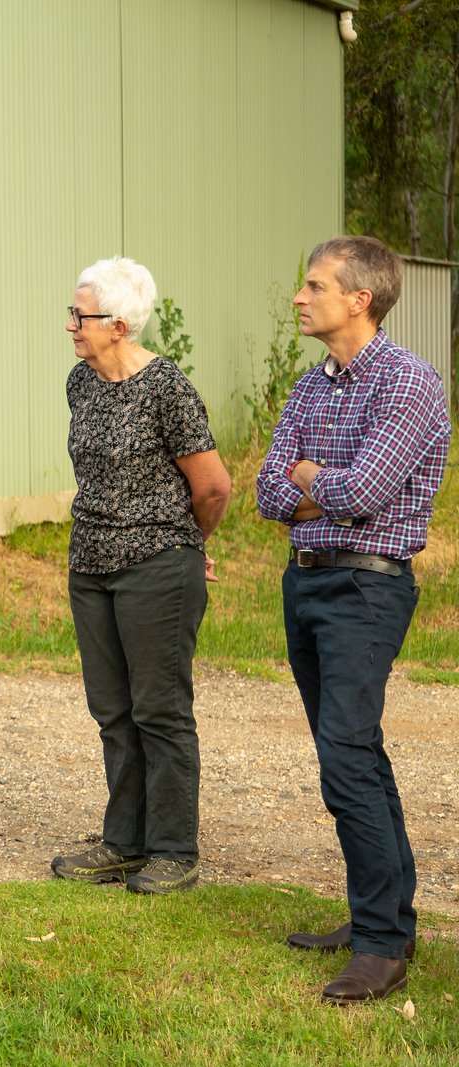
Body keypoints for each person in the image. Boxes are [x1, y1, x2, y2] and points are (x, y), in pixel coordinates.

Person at [256, 235, 450, 1004]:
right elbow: (271, 491)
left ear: (358, 298)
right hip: (305, 583)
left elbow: (366, 490)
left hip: (368, 590)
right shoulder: (310, 387)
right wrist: (311, 484)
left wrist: (313, 478)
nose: (300, 297)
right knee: (353, 751)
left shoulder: (409, 383)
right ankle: (387, 916)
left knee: (344, 756)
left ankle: (379, 943)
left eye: (313, 286)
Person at [50, 257, 231, 895]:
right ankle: (124, 843)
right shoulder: (81, 382)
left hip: (156, 564)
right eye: (72, 312)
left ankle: (175, 850)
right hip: (91, 564)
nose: (70, 324)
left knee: (160, 710)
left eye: (82, 315)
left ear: (120, 325)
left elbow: (212, 487)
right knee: (113, 711)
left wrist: (183, 547)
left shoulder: (167, 388)